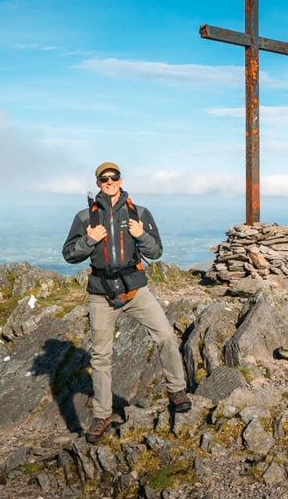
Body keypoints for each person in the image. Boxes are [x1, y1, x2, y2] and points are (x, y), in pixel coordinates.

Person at [62, 161, 191, 443]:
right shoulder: (85, 217)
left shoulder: (139, 213)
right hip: (101, 294)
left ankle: (176, 390)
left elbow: (156, 251)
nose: (109, 182)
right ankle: (101, 416)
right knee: (100, 357)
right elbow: (69, 254)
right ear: (97, 183)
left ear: (121, 179)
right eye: (104, 178)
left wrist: (139, 234)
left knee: (166, 336)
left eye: (114, 177)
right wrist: (88, 240)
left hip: (135, 289)